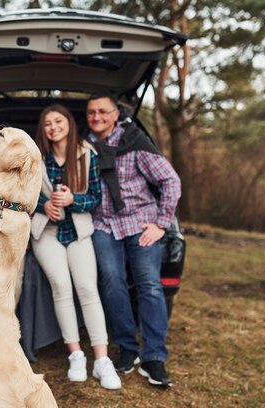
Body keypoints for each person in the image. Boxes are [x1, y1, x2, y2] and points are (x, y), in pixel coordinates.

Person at [85, 92, 181, 387]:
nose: (97, 117)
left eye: (103, 111)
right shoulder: (84, 147)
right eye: (91, 113)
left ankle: (153, 356)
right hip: (103, 224)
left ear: (116, 114)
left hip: (141, 222)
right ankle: (127, 349)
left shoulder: (136, 142)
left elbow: (170, 181)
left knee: (149, 285)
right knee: (112, 283)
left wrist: (162, 223)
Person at [30, 104, 121, 390]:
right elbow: (22, 195)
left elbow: (95, 197)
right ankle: (76, 355)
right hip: (46, 231)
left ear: (69, 123)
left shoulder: (86, 153)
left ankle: (102, 361)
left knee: (87, 289)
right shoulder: (36, 158)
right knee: (61, 286)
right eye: (47, 123)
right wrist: (43, 206)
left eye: (58, 121)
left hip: (78, 230)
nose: (53, 127)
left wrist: (73, 201)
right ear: (43, 130)